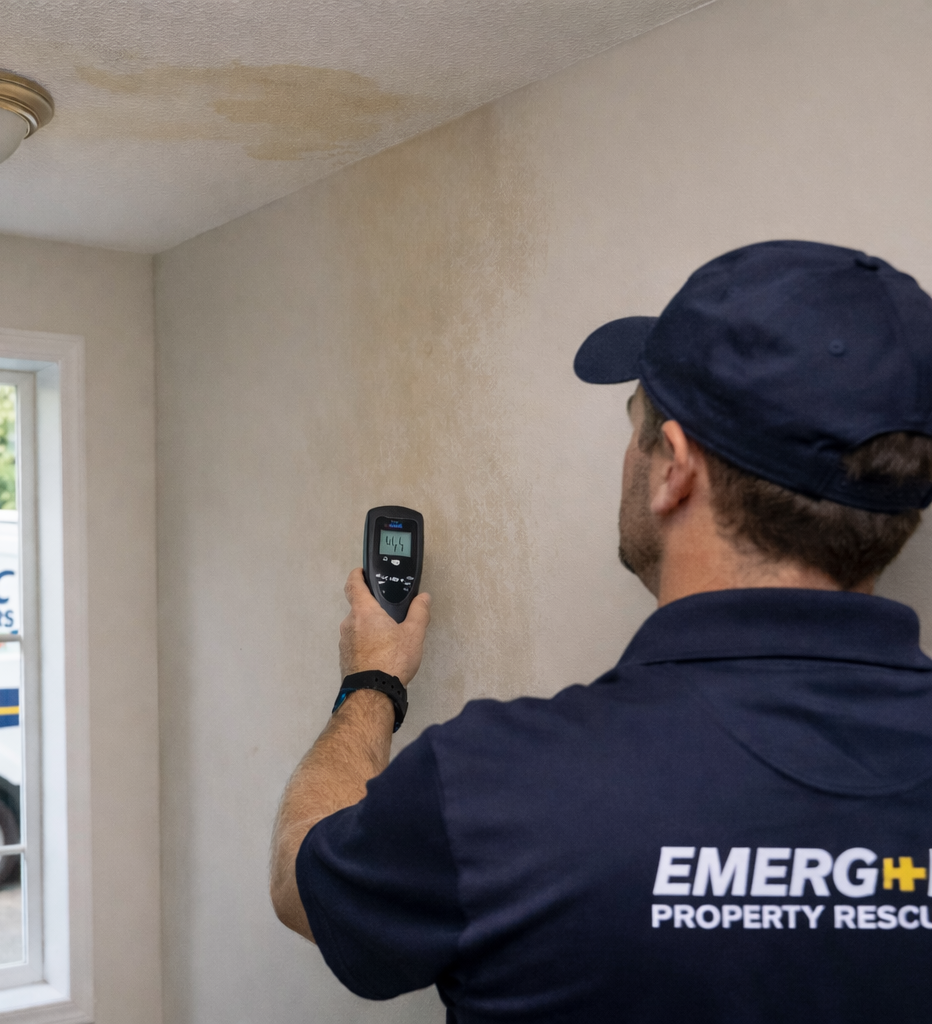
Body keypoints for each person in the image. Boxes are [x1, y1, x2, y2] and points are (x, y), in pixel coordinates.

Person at [270, 240, 932, 1021]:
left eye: (637, 425)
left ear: (674, 465)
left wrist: (371, 681)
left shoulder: (494, 786)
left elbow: (298, 878)